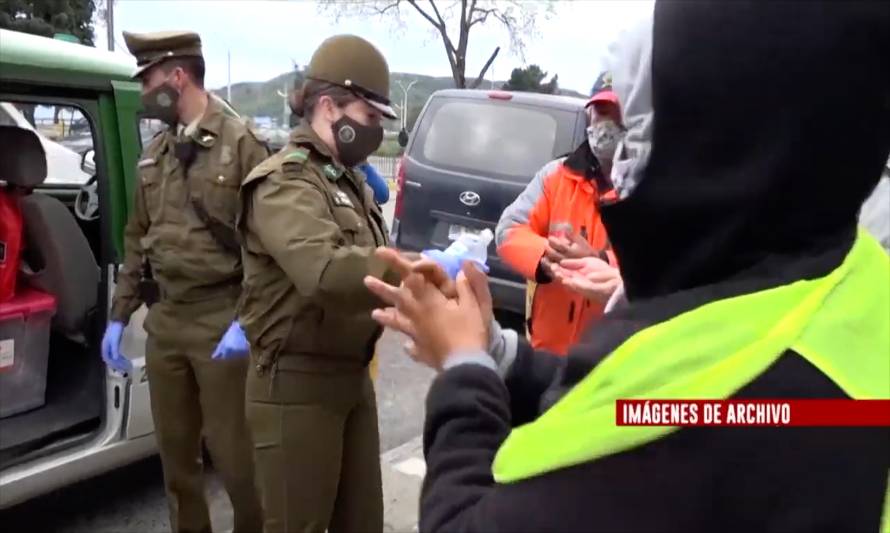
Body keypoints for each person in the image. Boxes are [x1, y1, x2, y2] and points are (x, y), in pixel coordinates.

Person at [364, 1, 890, 531]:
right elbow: (629, 402)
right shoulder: (838, 288)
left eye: (637, 127)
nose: (621, 157)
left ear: (720, 143)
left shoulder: (689, 436)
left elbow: (466, 521)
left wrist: (463, 367)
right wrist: (499, 349)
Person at [100, 30, 267, 533]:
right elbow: (138, 238)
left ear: (177, 77)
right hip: (167, 321)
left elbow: (267, 249)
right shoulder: (156, 152)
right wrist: (120, 314)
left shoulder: (242, 145)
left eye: (149, 80)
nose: (145, 92)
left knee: (238, 463)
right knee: (177, 464)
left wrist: (247, 321)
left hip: (222, 319)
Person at [236, 34, 403, 533]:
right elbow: (326, 271)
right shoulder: (284, 182)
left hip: (352, 378)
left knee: (363, 524)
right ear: (328, 108)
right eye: (369, 117)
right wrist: (416, 267)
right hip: (296, 385)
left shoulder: (345, 179)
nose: (374, 131)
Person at [495, 71, 622, 355]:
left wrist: (600, 261)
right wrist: (548, 257)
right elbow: (508, 230)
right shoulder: (556, 177)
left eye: (616, 112)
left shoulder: (649, 187)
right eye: (601, 111)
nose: (606, 124)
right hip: (549, 351)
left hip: (612, 356)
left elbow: (669, 267)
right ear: (589, 115)